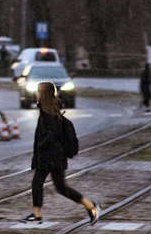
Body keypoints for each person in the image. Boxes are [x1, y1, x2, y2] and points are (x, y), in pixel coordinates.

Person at [22, 82, 100, 224]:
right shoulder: (50, 109)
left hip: (50, 156)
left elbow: (53, 132)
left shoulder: (48, 112)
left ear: (43, 94)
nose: (36, 94)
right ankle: (90, 206)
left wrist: (42, 144)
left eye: (38, 91)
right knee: (60, 187)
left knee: (39, 183)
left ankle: (37, 214)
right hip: (54, 156)